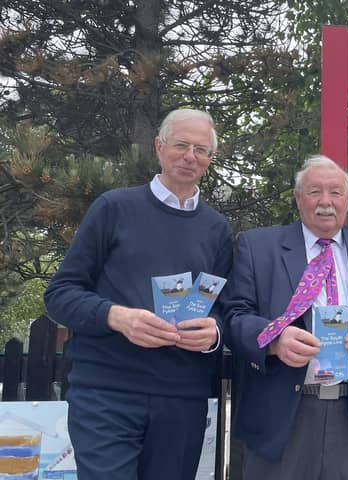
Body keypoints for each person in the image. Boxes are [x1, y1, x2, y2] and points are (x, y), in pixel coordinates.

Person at [44, 109, 233, 480]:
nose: (190, 156)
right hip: (107, 393)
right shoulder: (113, 208)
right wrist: (118, 317)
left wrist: (215, 333)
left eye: (200, 149)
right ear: (159, 147)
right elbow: (60, 294)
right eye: (181, 145)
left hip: (182, 398)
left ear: (209, 159)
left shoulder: (217, 229)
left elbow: (226, 308)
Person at [224, 154, 348, 480]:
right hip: (282, 417)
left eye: (335, 192)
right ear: (298, 198)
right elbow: (235, 316)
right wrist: (274, 340)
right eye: (314, 192)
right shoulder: (258, 246)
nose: (326, 202)